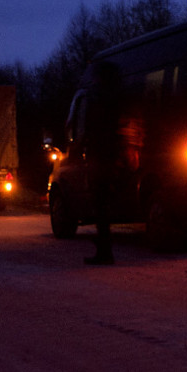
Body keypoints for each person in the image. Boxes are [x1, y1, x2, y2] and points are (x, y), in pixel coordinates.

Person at [82, 61, 122, 265]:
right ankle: (104, 248)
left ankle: (104, 251)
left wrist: (87, 148)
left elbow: (93, 129)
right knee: (103, 204)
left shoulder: (99, 98)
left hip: (101, 157)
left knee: (100, 204)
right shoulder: (115, 96)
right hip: (109, 156)